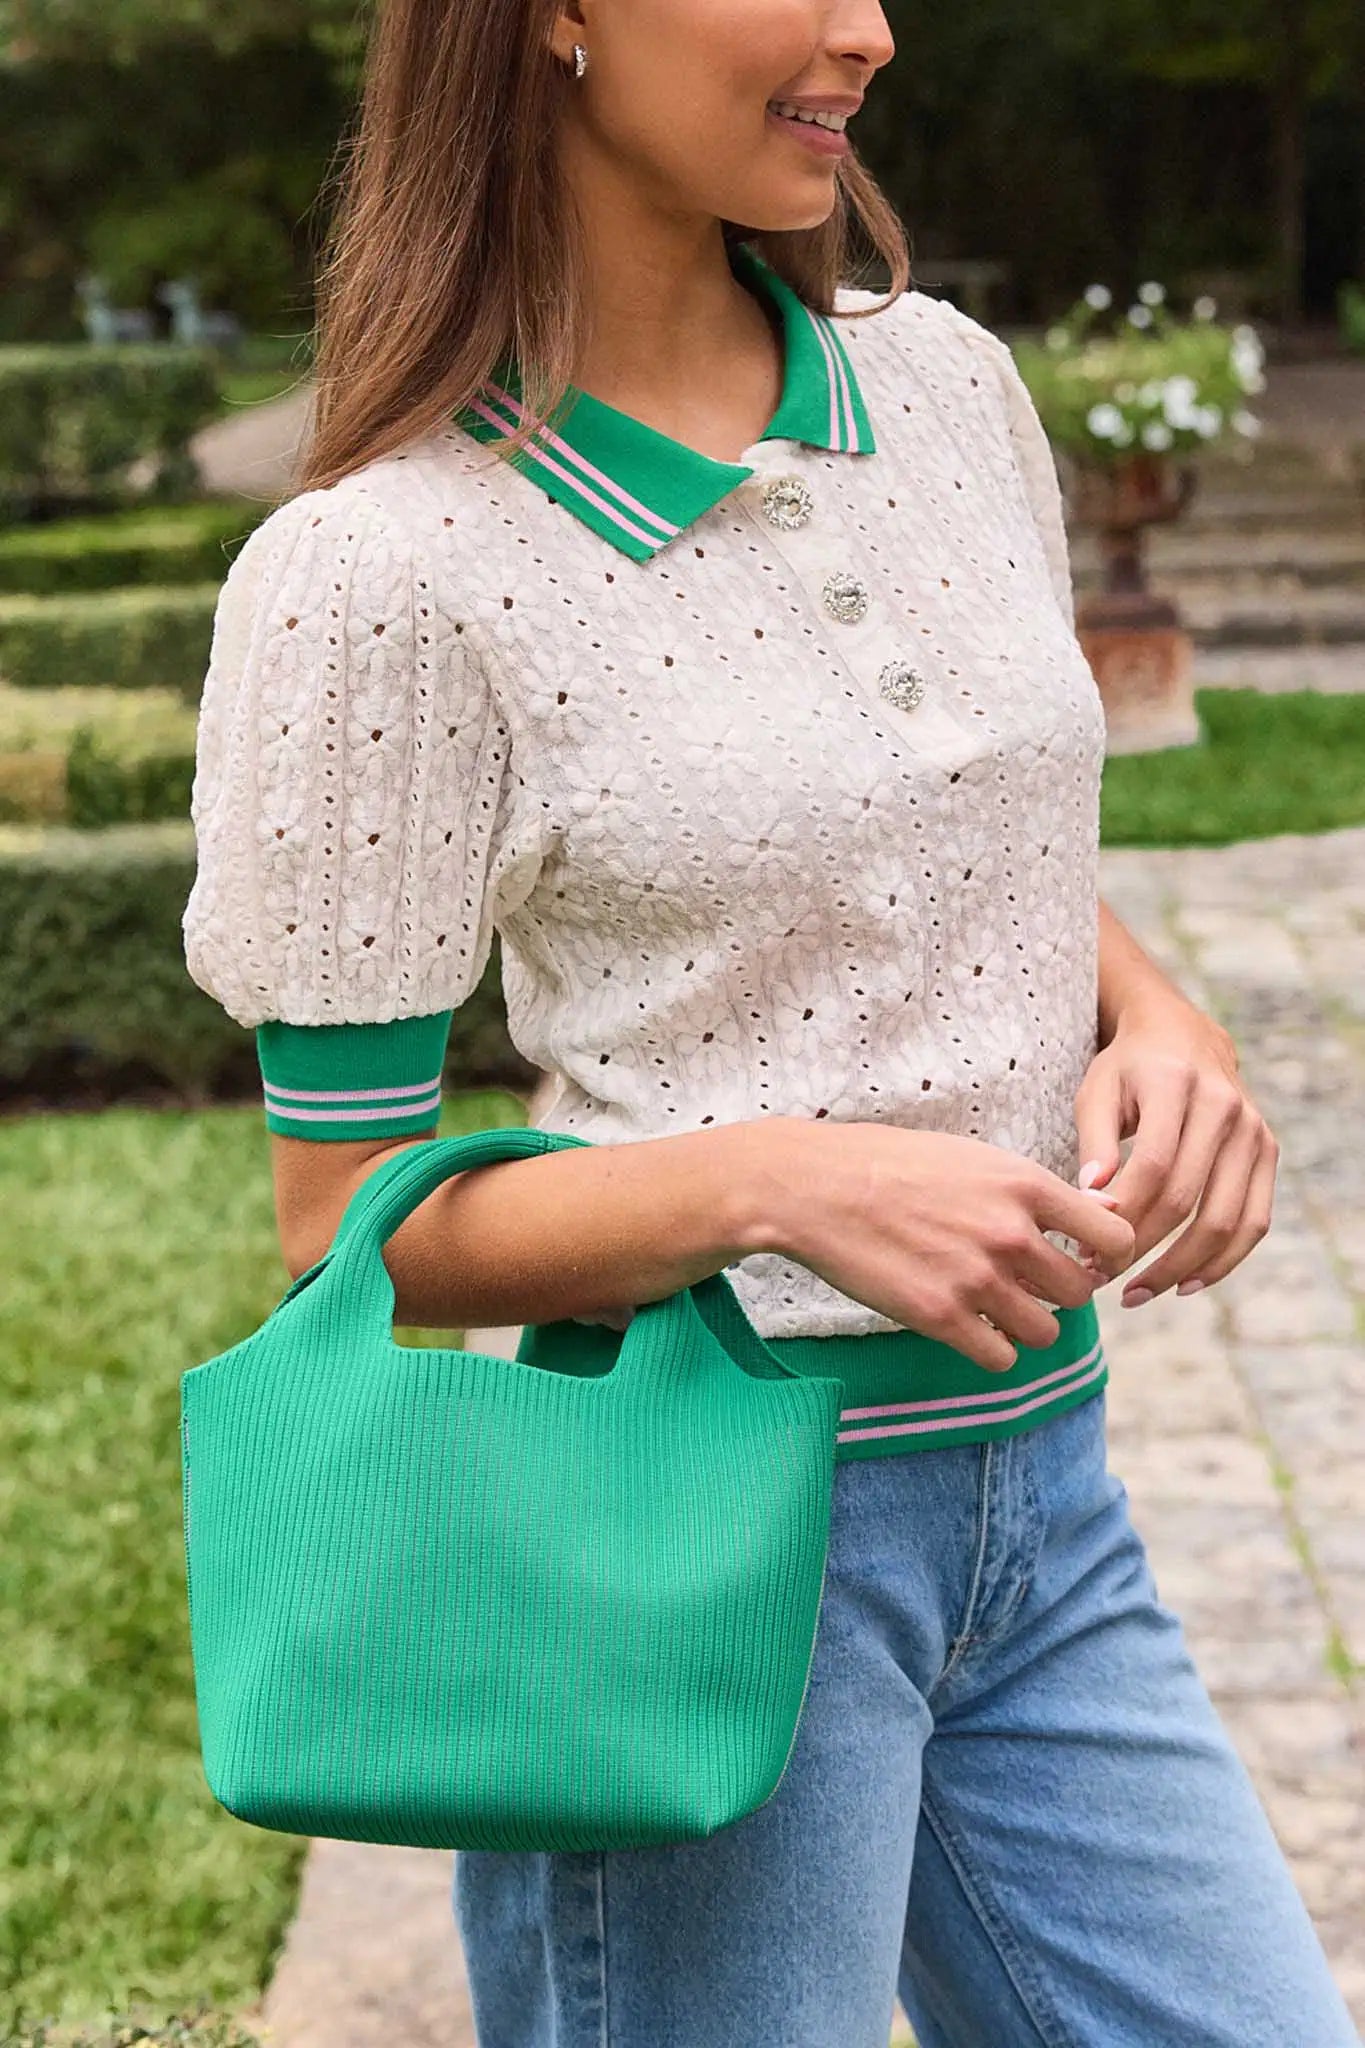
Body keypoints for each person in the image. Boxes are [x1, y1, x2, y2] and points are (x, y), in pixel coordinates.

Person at [181, 1, 1361, 2042]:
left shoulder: (946, 398)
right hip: (692, 1558)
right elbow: (345, 1226)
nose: (865, 29)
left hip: (1041, 1509)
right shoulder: (379, 575)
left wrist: (1163, 1022)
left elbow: (944, 840)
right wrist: (775, 1185)